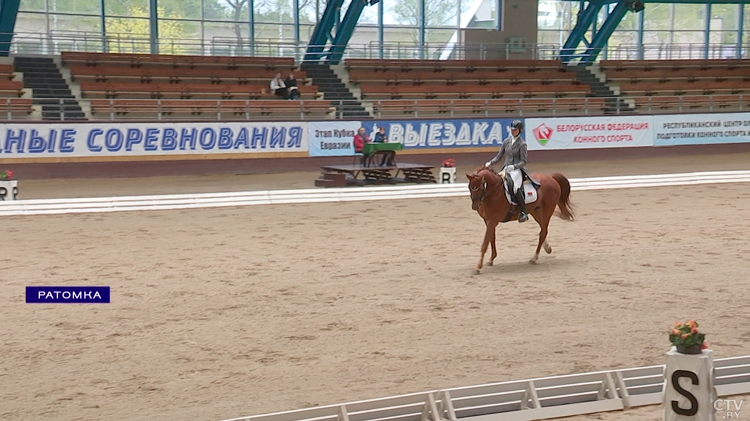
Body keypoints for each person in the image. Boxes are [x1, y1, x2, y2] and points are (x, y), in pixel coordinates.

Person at [484, 119, 529, 223]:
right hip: (506, 169)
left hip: (517, 170)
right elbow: (499, 156)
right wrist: (490, 163)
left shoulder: (522, 144)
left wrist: (514, 167)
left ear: (520, 130)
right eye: (512, 129)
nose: (513, 131)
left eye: (515, 130)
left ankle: (523, 212)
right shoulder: (506, 141)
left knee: (515, 188)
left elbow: (524, 161)